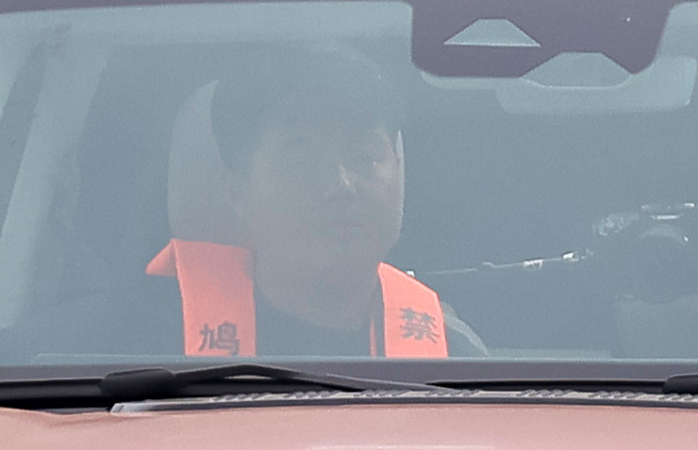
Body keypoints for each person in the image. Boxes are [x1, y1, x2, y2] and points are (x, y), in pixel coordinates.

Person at [128, 46, 465, 358]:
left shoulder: (458, 361)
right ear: (238, 193)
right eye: (303, 161)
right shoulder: (134, 348)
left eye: (365, 156)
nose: (341, 184)